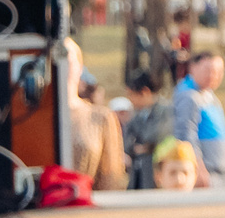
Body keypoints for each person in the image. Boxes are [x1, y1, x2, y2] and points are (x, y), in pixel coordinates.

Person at [63, 41, 129, 191]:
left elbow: (112, 179)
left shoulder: (100, 118)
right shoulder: (28, 119)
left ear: (80, 68)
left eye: (67, 60)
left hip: (87, 202)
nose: (61, 67)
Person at [170, 53, 225, 183]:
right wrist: (197, 166)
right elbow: (186, 134)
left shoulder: (209, 95)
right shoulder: (188, 96)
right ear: (193, 68)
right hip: (207, 171)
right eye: (208, 70)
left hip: (221, 170)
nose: (213, 76)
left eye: (218, 72)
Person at [121, 74, 170, 190]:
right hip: (137, 172)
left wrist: (147, 146)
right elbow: (126, 142)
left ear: (144, 92)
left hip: (157, 172)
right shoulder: (136, 115)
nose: (130, 99)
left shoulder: (166, 112)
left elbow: (159, 136)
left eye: (131, 95)